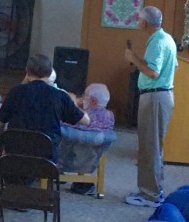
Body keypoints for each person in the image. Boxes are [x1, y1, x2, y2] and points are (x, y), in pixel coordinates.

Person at [125, 5, 178, 207]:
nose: (138, 21)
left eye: (139, 19)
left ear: (145, 23)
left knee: (150, 147)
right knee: (154, 146)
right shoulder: (167, 38)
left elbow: (153, 73)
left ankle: (150, 195)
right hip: (161, 96)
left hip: (155, 97)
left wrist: (133, 59)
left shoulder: (157, 42)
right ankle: (152, 190)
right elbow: (172, 67)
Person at [0, 54, 90, 158]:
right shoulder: (60, 96)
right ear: (49, 73)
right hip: (45, 158)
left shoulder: (15, 92)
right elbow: (85, 121)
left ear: (27, 71)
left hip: (15, 154)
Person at [58, 83, 116, 195]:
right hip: (89, 161)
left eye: (85, 95)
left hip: (65, 161)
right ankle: (84, 184)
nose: (83, 97)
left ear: (93, 101)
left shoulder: (78, 117)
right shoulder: (110, 117)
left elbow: (59, 123)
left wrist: (73, 104)